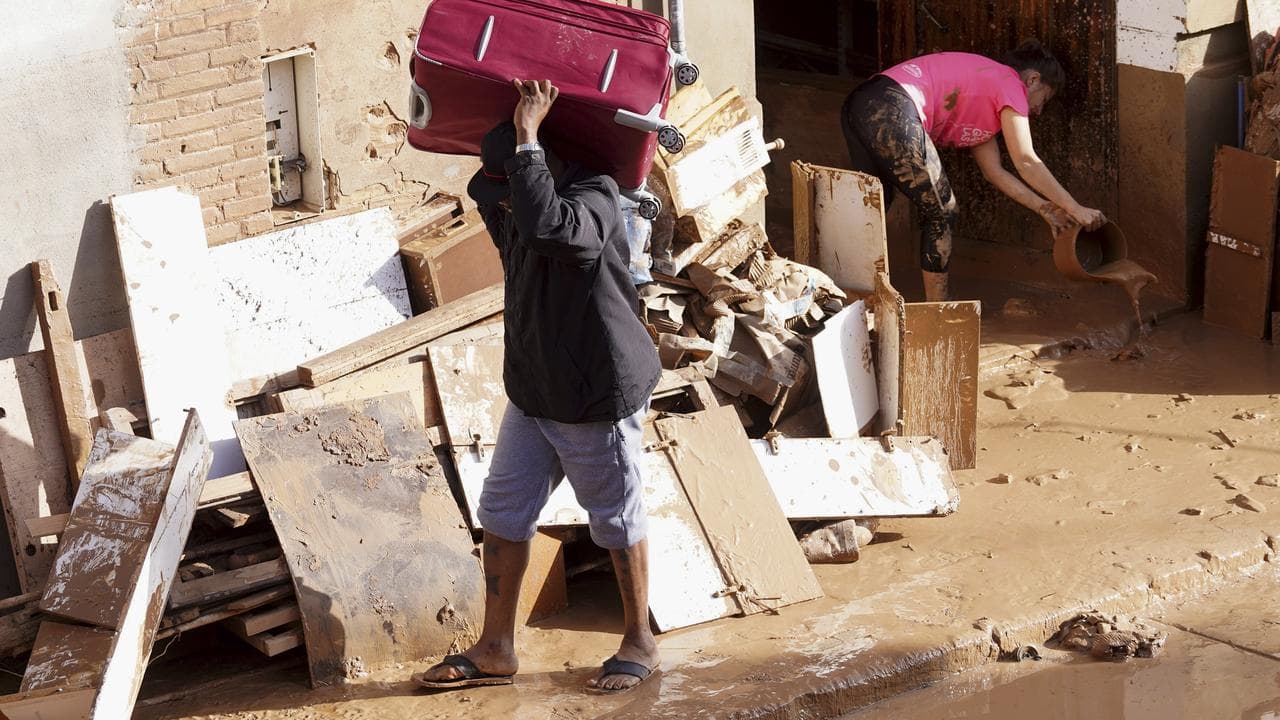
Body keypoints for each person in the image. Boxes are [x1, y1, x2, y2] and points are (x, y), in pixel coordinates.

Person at [413, 79, 663, 694]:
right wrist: (512, 169)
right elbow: (517, 218)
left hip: (592, 387)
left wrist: (527, 140)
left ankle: (639, 639)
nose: (500, 199)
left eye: (516, 176)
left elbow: (559, 234)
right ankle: (497, 648)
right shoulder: (518, 205)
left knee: (614, 515)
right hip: (535, 384)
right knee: (502, 511)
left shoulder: (595, 194)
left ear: (547, 162)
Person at [841, 39, 1106, 301]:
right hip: (892, 104)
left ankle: (847, 294)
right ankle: (938, 311)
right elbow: (1026, 160)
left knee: (876, 202)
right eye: (1044, 99)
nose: (1038, 110)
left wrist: (1045, 209)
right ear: (1033, 80)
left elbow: (995, 172)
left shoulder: (986, 99)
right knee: (942, 211)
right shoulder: (1010, 81)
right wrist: (1075, 208)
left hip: (861, 103)